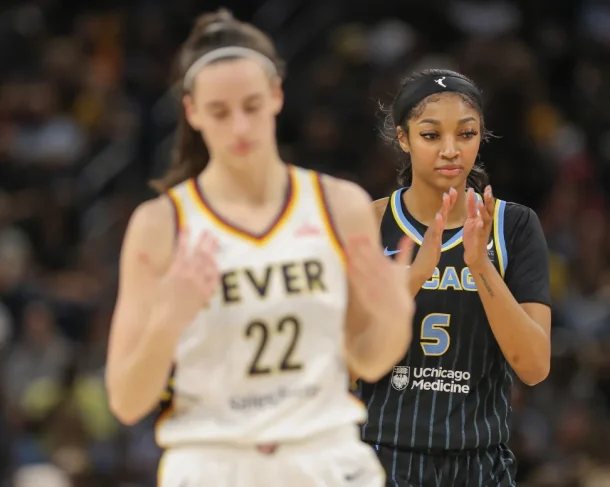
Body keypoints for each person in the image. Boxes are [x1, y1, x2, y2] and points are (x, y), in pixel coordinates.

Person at [105, 9, 415, 487]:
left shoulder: (339, 205)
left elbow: (368, 361)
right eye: (219, 112)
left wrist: (396, 314)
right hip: (211, 460)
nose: (240, 128)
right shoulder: (160, 225)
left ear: (276, 95)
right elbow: (126, 401)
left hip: (323, 453)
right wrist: (167, 319)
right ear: (191, 111)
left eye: (251, 106)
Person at [354, 69, 552, 486]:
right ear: (403, 138)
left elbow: (534, 366)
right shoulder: (365, 223)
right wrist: (412, 278)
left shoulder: (512, 226)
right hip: (381, 455)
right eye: (430, 136)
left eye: (466, 134)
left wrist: (481, 267)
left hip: (480, 461)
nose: (450, 150)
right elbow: (342, 366)